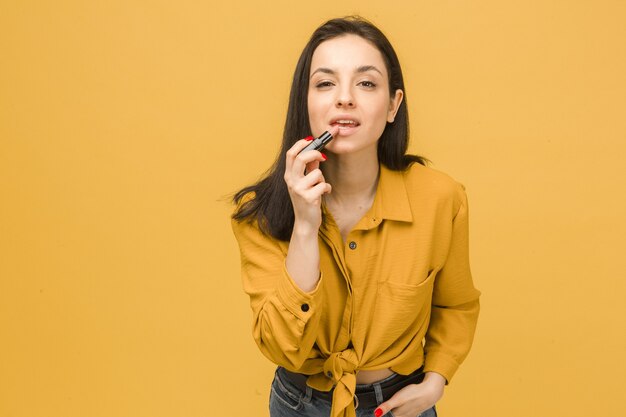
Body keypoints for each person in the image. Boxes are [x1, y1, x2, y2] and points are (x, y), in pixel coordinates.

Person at [230, 16, 480, 417]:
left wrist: (435, 382)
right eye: (325, 83)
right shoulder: (258, 215)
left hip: (400, 404)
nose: (344, 98)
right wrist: (306, 226)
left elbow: (456, 305)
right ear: (305, 103)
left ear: (394, 104)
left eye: (366, 83)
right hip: (299, 404)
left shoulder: (441, 198)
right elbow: (282, 345)